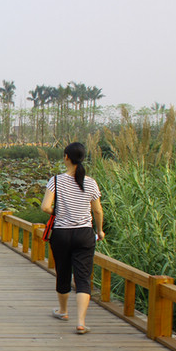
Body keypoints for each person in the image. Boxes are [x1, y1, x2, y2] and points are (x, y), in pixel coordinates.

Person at [41, 142, 105, 335]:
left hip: (61, 233)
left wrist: (59, 212)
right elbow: (97, 210)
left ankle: (63, 311)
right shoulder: (91, 182)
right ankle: (81, 322)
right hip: (84, 234)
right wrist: (99, 231)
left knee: (63, 272)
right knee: (83, 278)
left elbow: (45, 207)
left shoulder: (56, 181)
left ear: (66, 157)